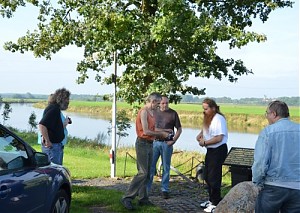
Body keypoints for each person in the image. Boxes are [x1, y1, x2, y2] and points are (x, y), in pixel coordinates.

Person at [120, 92, 169, 210]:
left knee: (148, 173)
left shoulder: (153, 112)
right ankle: (127, 198)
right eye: (157, 104)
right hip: (142, 143)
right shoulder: (143, 112)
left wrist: (164, 131)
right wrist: (161, 134)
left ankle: (143, 199)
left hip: (150, 143)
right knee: (142, 172)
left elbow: (153, 129)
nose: (159, 106)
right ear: (152, 101)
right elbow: (146, 131)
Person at [252, 100, 300, 213]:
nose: (267, 116)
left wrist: (257, 182)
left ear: (274, 114)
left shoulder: (268, 132)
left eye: (267, 113)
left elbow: (260, 162)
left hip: (273, 187)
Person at [196, 98, 228, 213]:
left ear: (213, 108)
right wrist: (200, 135)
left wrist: (204, 142)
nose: (204, 111)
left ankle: (216, 202)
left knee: (214, 177)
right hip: (210, 150)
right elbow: (205, 129)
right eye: (203, 109)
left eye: (206, 109)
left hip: (218, 150)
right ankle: (211, 199)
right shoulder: (208, 118)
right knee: (208, 176)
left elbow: (219, 137)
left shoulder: (219, 119)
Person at [147, 96, 182, 199]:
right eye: (163, 103)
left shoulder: (173, 113)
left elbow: (179, 129)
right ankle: (147, 189)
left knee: (166, 167)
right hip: (155, 142)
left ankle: (165, 189)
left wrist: (173, 140)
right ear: (159, 103)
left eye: (167, 103)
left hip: (167, 144)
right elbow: (150, 128)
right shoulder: (154, 112)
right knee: (151, 166)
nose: (165, 105)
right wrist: (165, 131)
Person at [39, 88, 71, 165]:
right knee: (53, 173)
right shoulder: (54, 109)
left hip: (56, 146)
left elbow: (55, 128)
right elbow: (42, 125)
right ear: (61, 99)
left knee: (57, 171)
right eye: (67, 99)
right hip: (52, 147)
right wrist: (47, 141)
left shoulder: (55, 109)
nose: (68, 102)